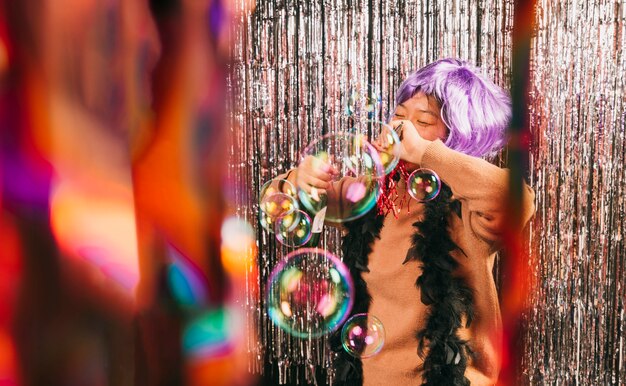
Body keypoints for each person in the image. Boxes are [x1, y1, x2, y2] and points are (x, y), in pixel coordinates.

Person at [281, 58, 535, 385]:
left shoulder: (469, 211)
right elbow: (288, 204)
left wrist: (427, 153)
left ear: (458, 135)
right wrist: (298, 180)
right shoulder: (372, 194)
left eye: (423, 121)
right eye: (399, 116)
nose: (402, 129)